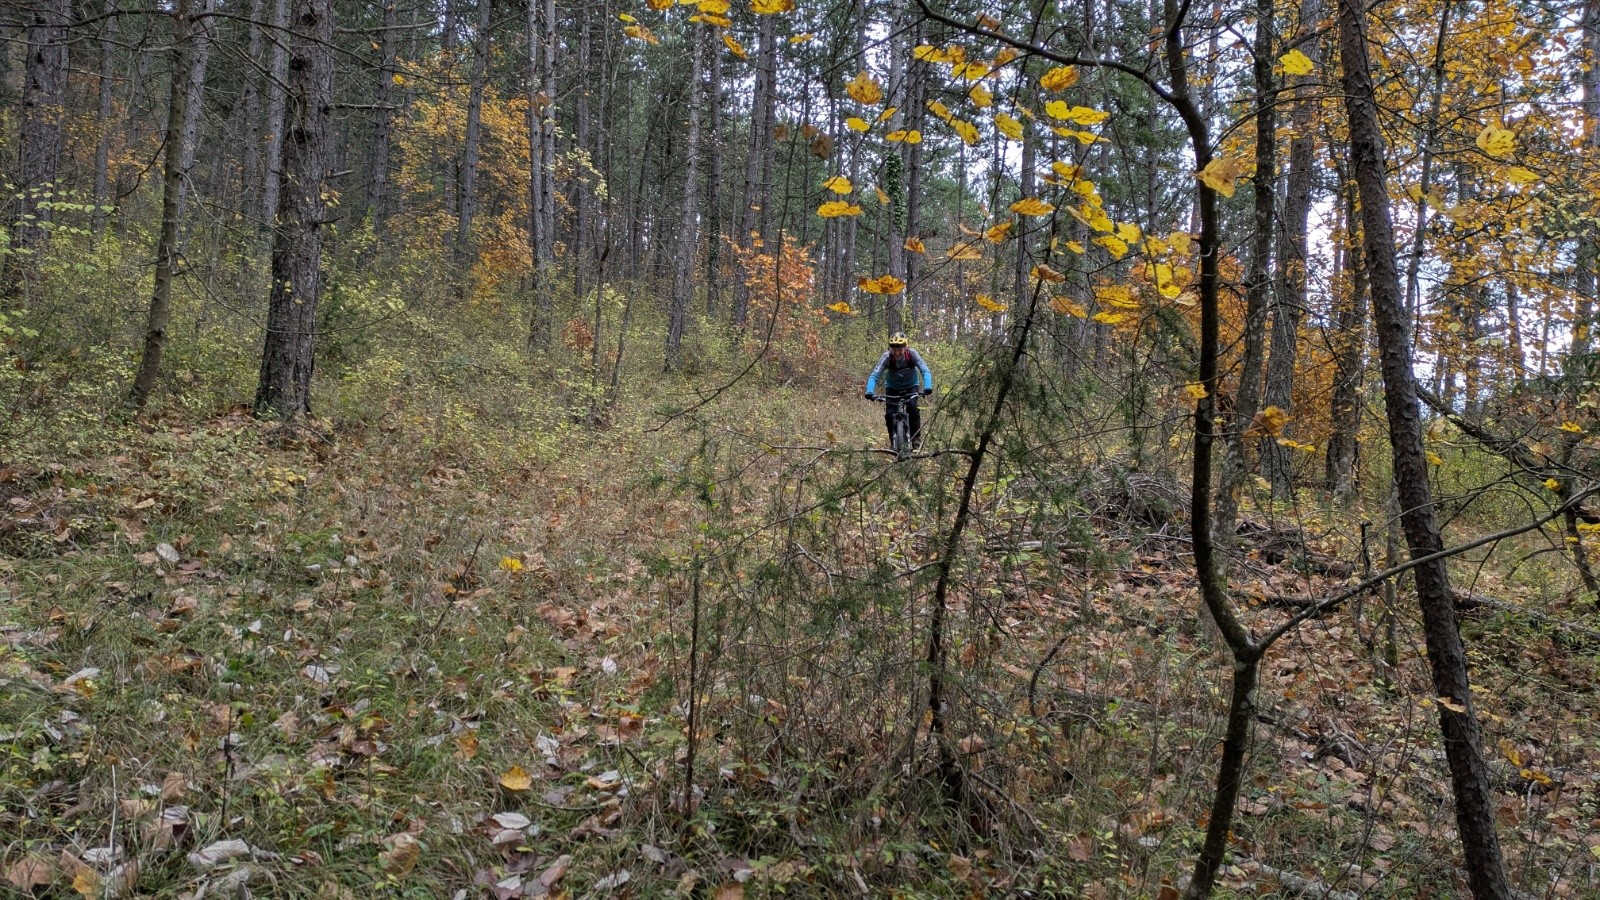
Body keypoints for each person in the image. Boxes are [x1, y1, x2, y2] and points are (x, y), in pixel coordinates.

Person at [864, 332, 933, 449]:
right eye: (893, 349)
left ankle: (916, 439)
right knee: (890, 414)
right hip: (892, 388)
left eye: (899, 349)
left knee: (912, 408)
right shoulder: (886, 357)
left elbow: (925, 370)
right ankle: (893, 441)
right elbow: (875, 375)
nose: (896, 353)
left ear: (905, 347)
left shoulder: (912, 354)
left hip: (911, 386)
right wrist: (870, 391)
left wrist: (927, 387)